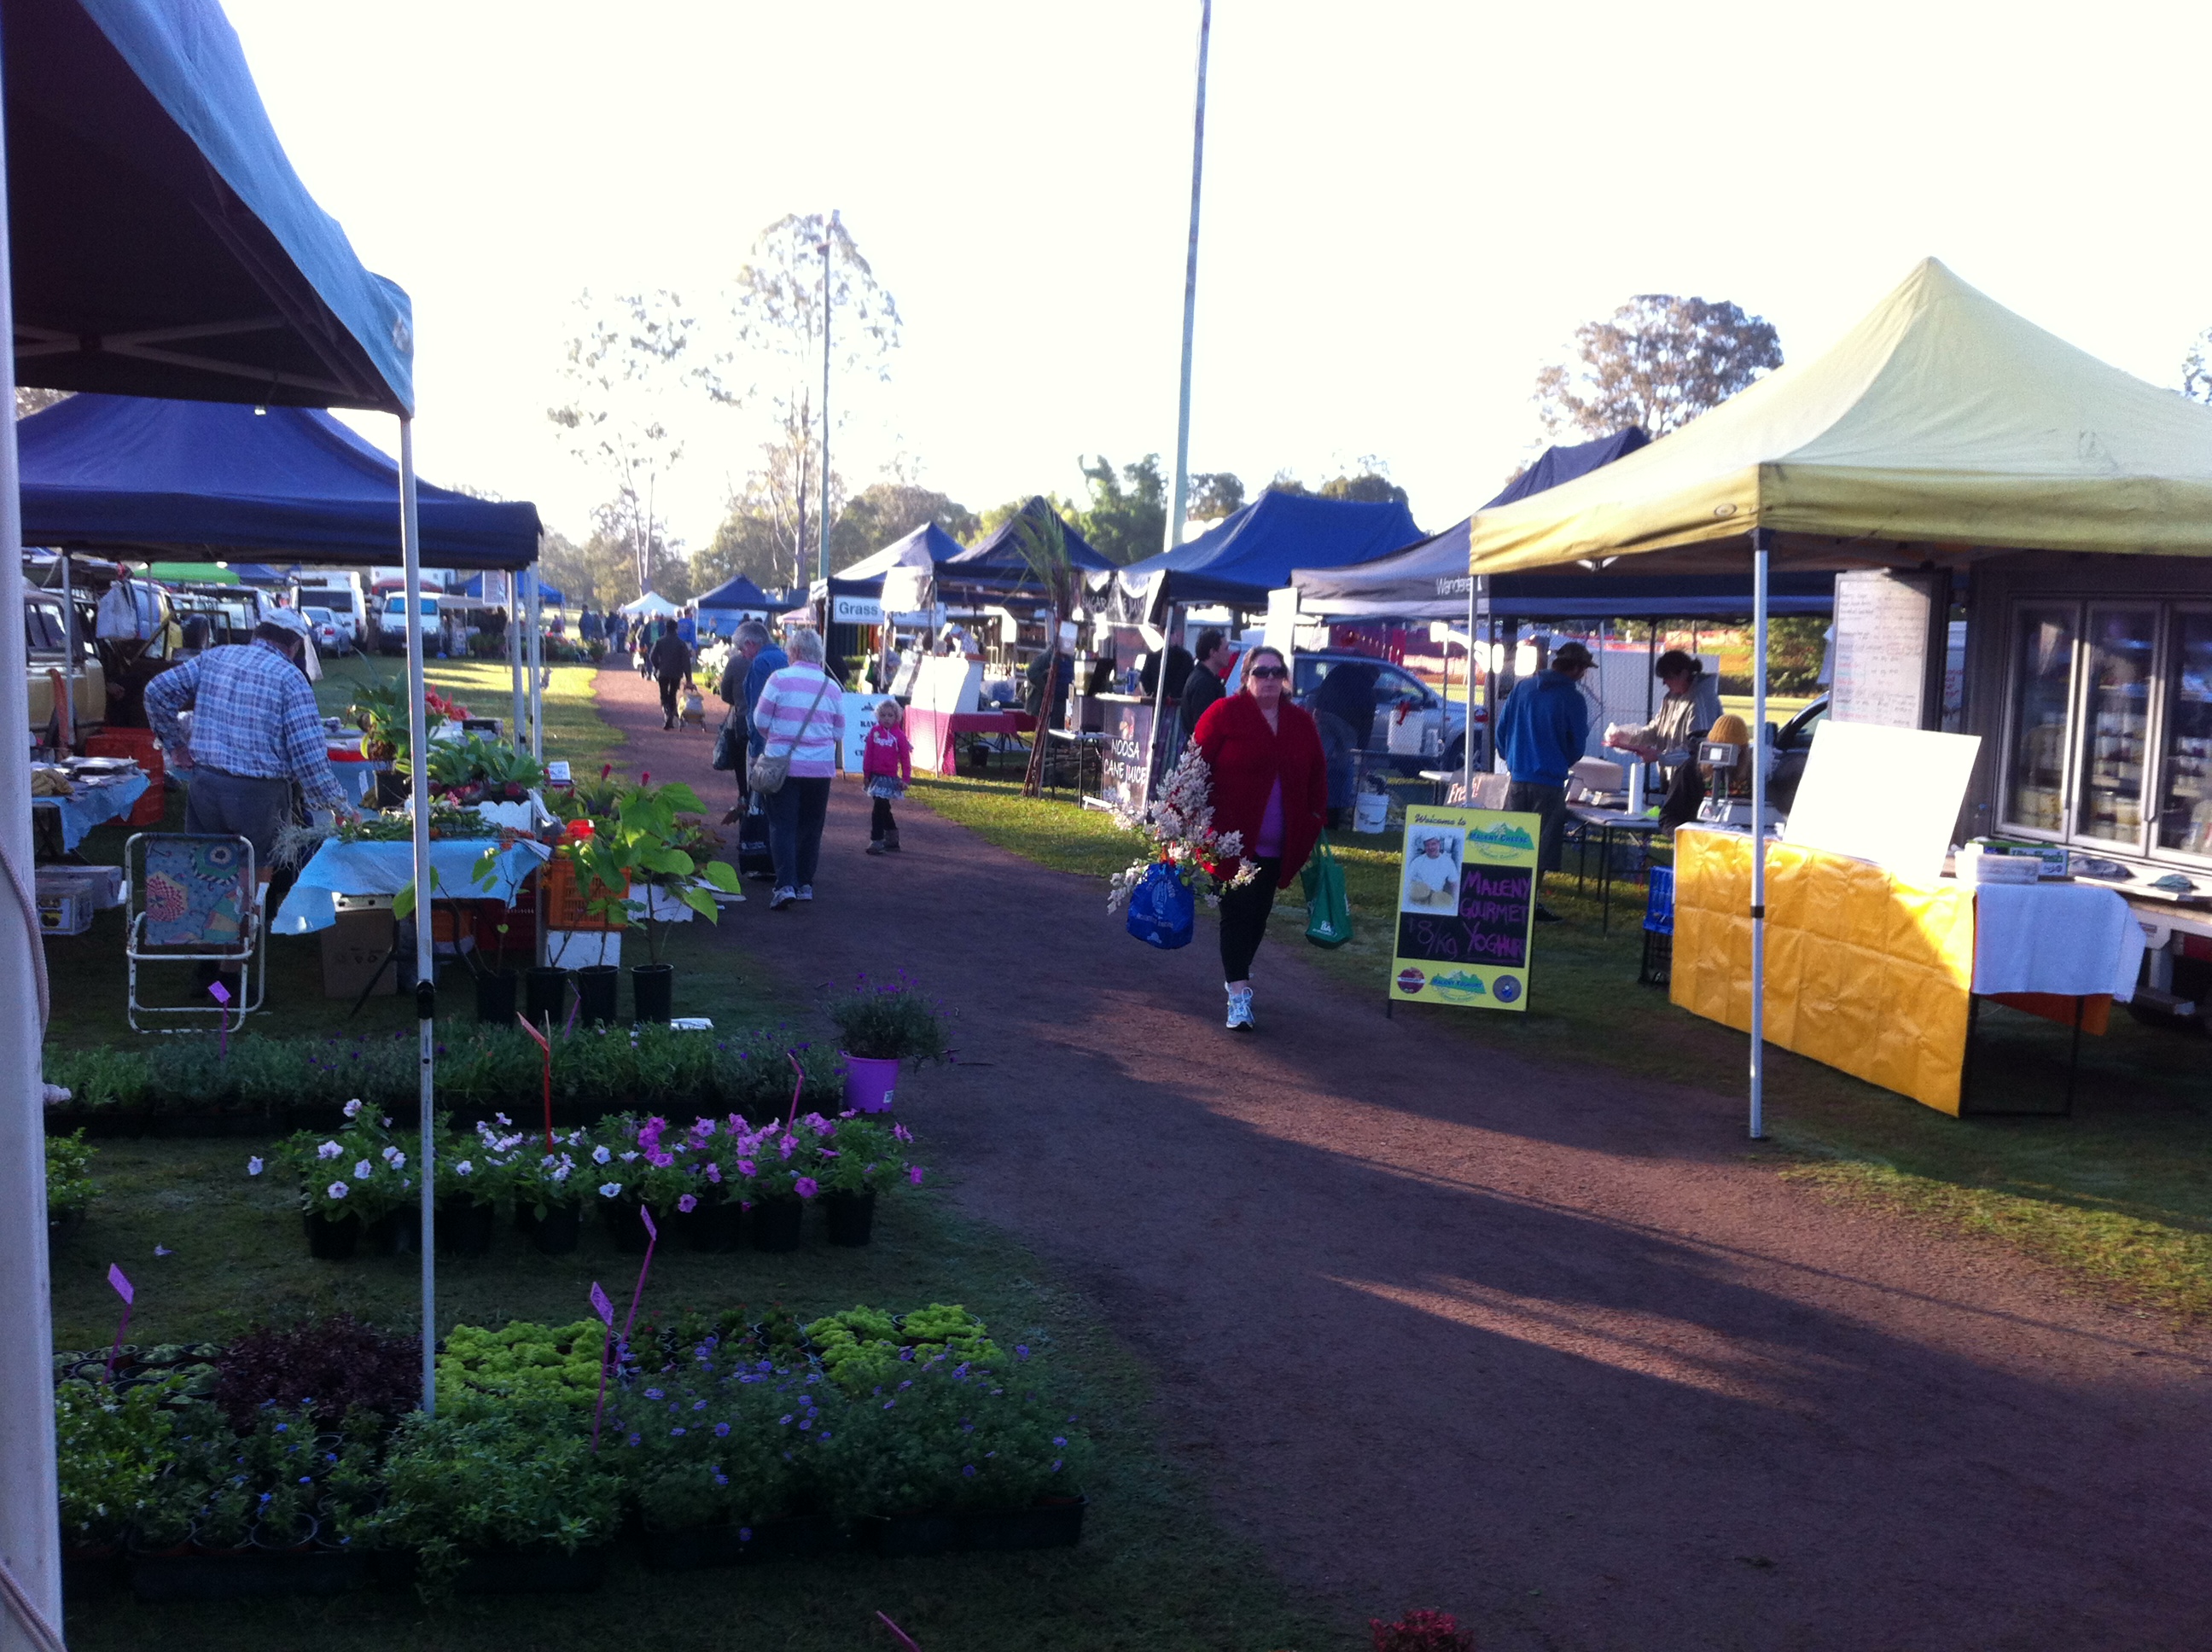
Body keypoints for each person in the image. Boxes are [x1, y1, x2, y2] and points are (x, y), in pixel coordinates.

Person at [144, 620, 353, 879]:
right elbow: (308, 755)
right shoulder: (289, 677)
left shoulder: (215, 657)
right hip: (259, 794)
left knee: (207, 865)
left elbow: (157, 690)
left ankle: (209, 917)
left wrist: (175, 745)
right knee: (254, 867)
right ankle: (247, 919)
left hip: (206, 783)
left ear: (257, 634)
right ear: (295, 645)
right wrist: (340, 808)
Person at [1193, 644, 1327, 1032]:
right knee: (1236, 914)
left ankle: (1238, 975)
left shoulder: (1300, 722)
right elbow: (1193, 766)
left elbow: (1318, 775)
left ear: (1285, 677)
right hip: (1232, 844)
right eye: (1260, 672)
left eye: (1275, 672)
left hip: (1278, 846)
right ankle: (1239, 994)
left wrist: (1315, 817)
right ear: (1246, 677)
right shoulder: (1224, 715)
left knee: (1257, 918)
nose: (1268, 679)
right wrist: (1183, 818)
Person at [1495, 638, 1594, 922]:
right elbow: (1576, 746)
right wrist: (1560, 760)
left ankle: (1504, 899)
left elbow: (1502, 733)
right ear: (1575, 668)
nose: (1584, 674)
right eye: (1583, 668)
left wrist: (1514, 758)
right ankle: (1528, 906)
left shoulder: (1522, 688)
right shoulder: (1573, 698)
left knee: (1512, 844)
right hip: (1549, 783)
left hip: (1517, 777)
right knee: (1540, 846)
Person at [752, 629, 845, 910]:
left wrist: (779, 739)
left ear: (793, 652)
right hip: (819, 769)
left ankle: (785, 885)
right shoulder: (832, 686)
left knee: (782, 825)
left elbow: (760, 720)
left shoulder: (778, 680)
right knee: (811, 827)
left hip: (783, 766)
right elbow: (839, 731)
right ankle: (805, 883)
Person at [1604, 648, 1723, 830]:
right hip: (1672, 777)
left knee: (1680, 828)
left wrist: (1660, 757)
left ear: (1683, 673)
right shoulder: (1672, 697)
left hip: (1692, 782)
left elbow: (1699, 752)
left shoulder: (1701, 700)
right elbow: (1656, 731)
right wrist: (1625, 736)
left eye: (1668, 677)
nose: (1665, 683)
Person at [862, 699, 913, 855]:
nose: (887, 719)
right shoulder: (874, 732)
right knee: (884, 808)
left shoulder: (899, 736)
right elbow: (868, 754)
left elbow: (905, 759)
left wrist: (905, 779)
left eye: (890, 715)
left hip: (889, 778)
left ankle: (876, 840)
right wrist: (866, 774)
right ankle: (892, 838)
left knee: (878, 809)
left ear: (896, 717)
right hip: (875, 777)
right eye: (883, 715)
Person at [1175, 628, 1233, 757]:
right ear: (1213, 652)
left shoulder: (1206, 679)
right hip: (1203, 755)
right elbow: (1205, 727)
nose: (1230, 654)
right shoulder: (1203, 684)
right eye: (1226, 649)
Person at [649, 619, 693, 730]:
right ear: (676, 629)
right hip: (676, 673)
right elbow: (686, 662)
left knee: (664, 695)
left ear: (666, 628)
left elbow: (652, 656)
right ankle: (670, 715)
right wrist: (688, 679)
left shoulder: (660, 641)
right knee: (672, 694)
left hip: (663, 672)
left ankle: (667, 713)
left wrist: (658, 666)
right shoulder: (681, 644)